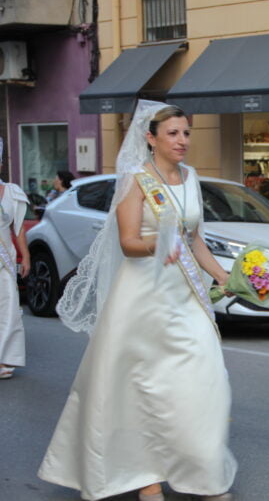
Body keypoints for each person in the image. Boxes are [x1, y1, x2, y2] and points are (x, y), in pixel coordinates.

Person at [38, 101, 237, 500]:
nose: (182, 141)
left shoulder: (191, 177)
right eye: (173, 134)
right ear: (151, 138)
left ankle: (205, 472)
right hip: (143, 298)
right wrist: (157, 243)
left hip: (184, 298)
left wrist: (225, 277)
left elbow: (193, 237)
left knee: (206, 383)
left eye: (186, 133)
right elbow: (128, 243)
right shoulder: (136, 181)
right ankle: (146, 476)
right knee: (140, 390)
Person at [0, 142, 30, 380]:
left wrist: (25, 255)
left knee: (8, 308)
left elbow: (18, 227)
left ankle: (5, 357)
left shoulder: (11, 191)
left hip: (5, 260)